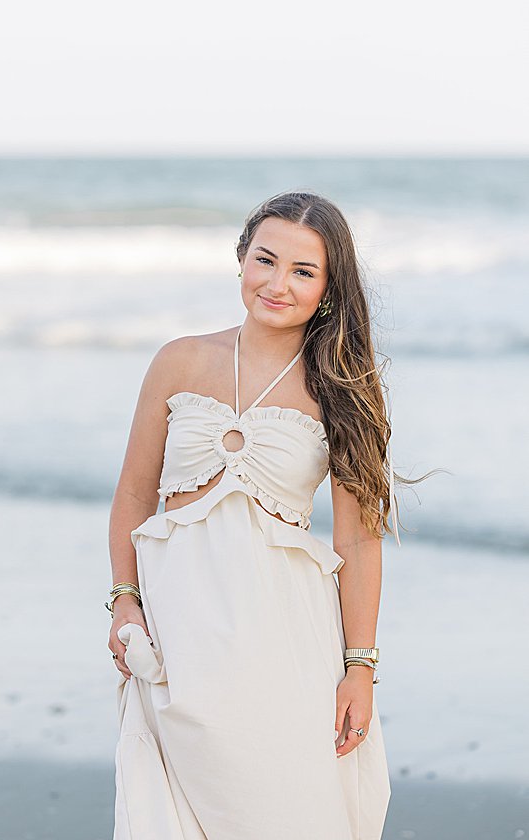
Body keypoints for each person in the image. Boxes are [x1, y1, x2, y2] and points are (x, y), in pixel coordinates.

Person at [108, 192, 395, 839]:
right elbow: (132, 494)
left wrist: (359, 670)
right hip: (177, 640)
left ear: (327, 288)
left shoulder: (341, 390)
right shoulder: (178, 360)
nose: (277, 283)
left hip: (285, 641)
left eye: (302, 271)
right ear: (241, 258)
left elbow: (357, 538)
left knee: (286, 812)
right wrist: (125, 601)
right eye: (265, 260)